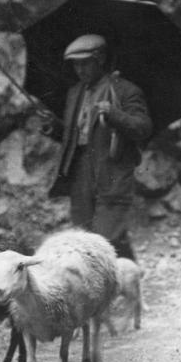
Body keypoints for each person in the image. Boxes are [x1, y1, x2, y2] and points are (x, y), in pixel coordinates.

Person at [47, 34, 152, 262]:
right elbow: (78, 134)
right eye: (76, 64)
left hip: (112, 173)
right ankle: (127, 281)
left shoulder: (125, 91)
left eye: (85, 63)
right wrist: (54, 128)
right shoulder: (75, 93)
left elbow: (143, 128)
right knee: (86, 239)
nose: (80, 70)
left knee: (103, 240)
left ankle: (122, 284)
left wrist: (115, 115)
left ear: (101, 58)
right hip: (81, 174)